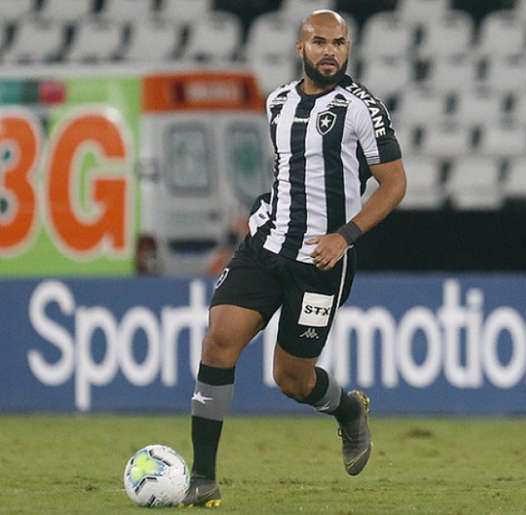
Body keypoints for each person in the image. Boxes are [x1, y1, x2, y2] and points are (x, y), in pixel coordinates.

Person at [180, 9, 407, 508]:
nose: (330, 51)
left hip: (321, 262)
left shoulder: (362, 108)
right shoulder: (277, 102)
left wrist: (344, 237)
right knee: (218, 342)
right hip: (265, 246)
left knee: (292, 379)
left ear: (348, 49)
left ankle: (348, 410)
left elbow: (394, 184)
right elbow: (293, 174)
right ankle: (202, 479)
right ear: (301, 48)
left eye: (339, 43)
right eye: (320, 42)